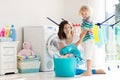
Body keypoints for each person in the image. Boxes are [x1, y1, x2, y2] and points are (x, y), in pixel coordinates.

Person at [79, 5, 105, 76]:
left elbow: (85, 30)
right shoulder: (84, 20)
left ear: (89, 13)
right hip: (87, 39)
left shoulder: (88, 19)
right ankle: (88, 71)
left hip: (88, 40)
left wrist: (81, 37)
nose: (84, 15)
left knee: (88, 56)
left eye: (85, 13)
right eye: (82, 14)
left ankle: (89, 72)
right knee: (87, 55)